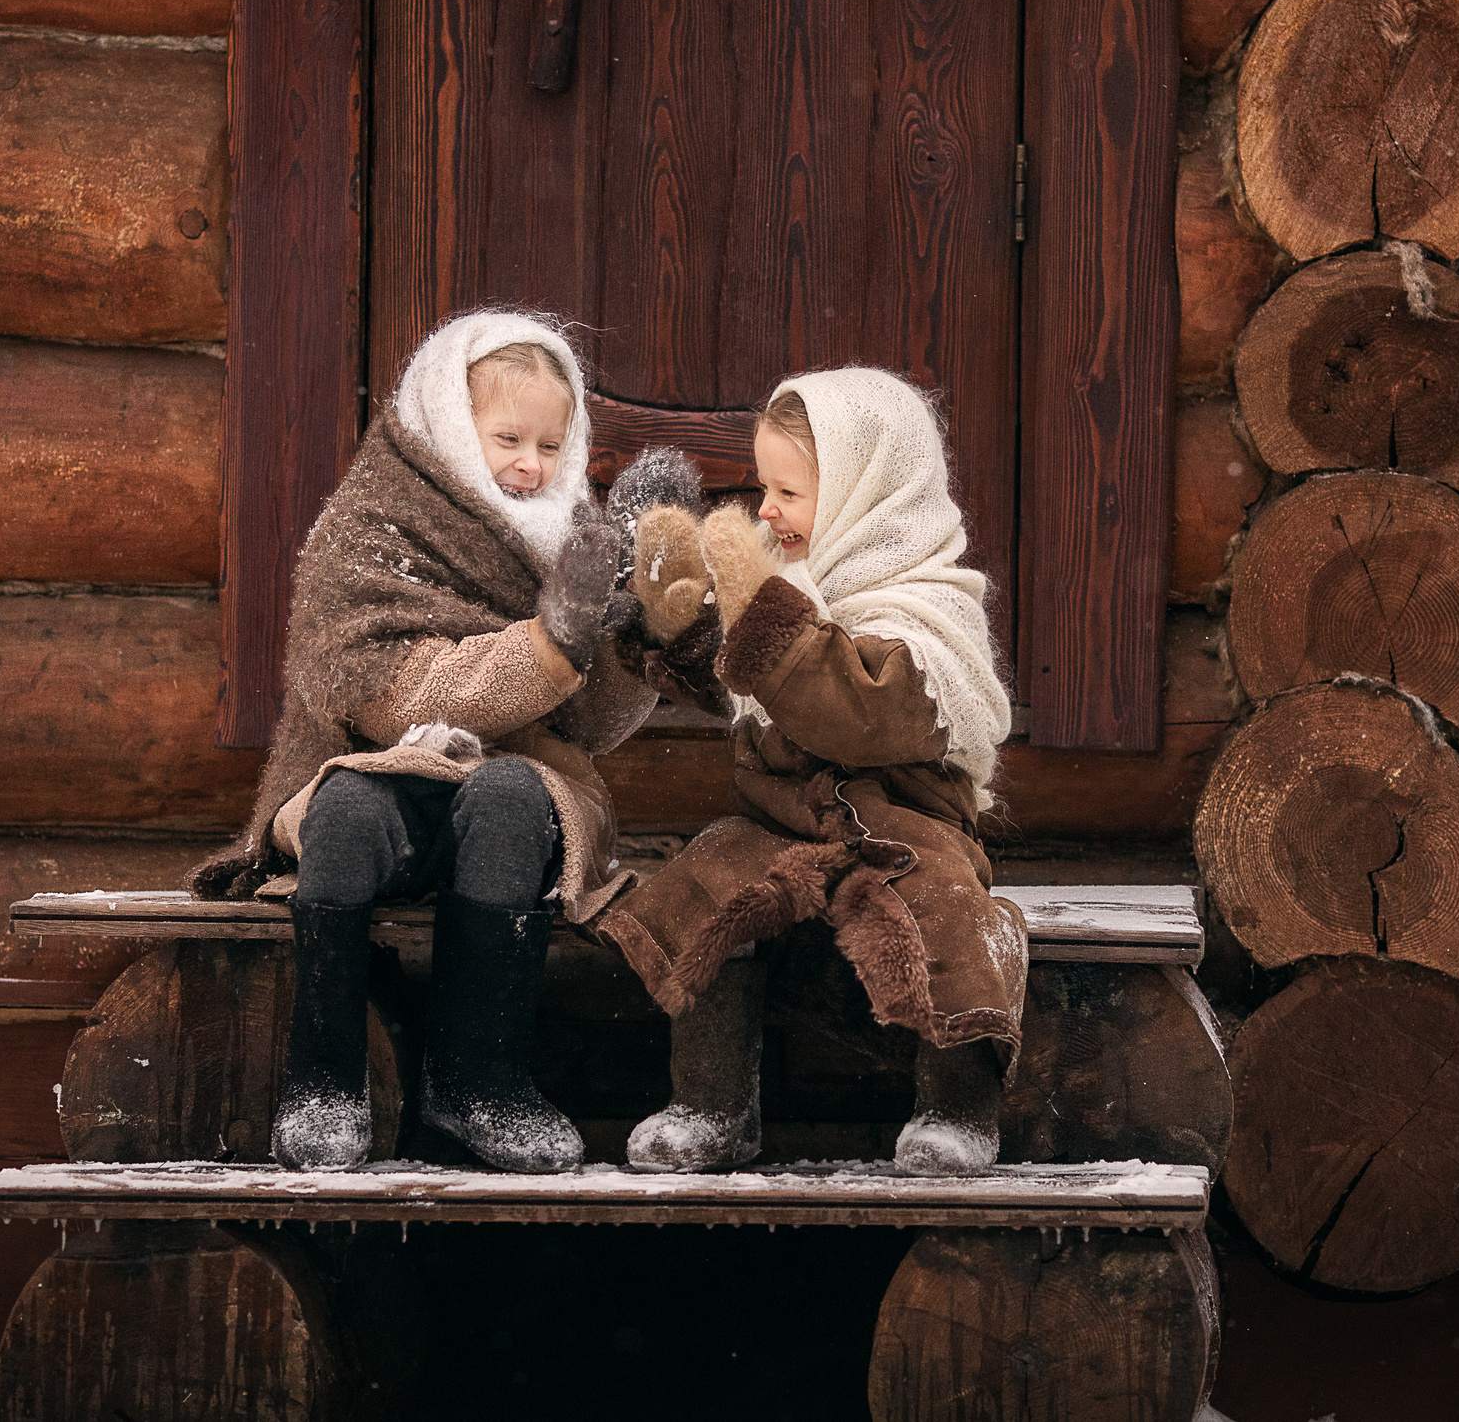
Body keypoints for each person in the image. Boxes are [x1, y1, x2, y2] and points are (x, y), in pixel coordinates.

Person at [185, 308, 682, 1173]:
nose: (532, 465)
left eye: (551, 445)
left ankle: (476, 1078)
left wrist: (632, 618)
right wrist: (550, 637)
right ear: (451, 427)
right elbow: (393, 689)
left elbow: (591, 723)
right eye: (507, 437)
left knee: (509, 800)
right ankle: (324, 1081)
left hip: (517, 777)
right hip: (392, 763)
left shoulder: (571, 534)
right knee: (343, 808)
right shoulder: (374, 524)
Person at [597, 369, 1024, 1176]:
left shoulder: (929, 607)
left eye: (789, 490)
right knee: (710, 874)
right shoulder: (784, 583)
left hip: (904, 826)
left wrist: (764, 615)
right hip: (782, 821)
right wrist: (675, 623)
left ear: (871, 494)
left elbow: (858, 713)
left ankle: (957, 1108)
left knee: (956, 915)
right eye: (763, 486)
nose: (764, 510)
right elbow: (729, 680)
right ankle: (711, 1103)